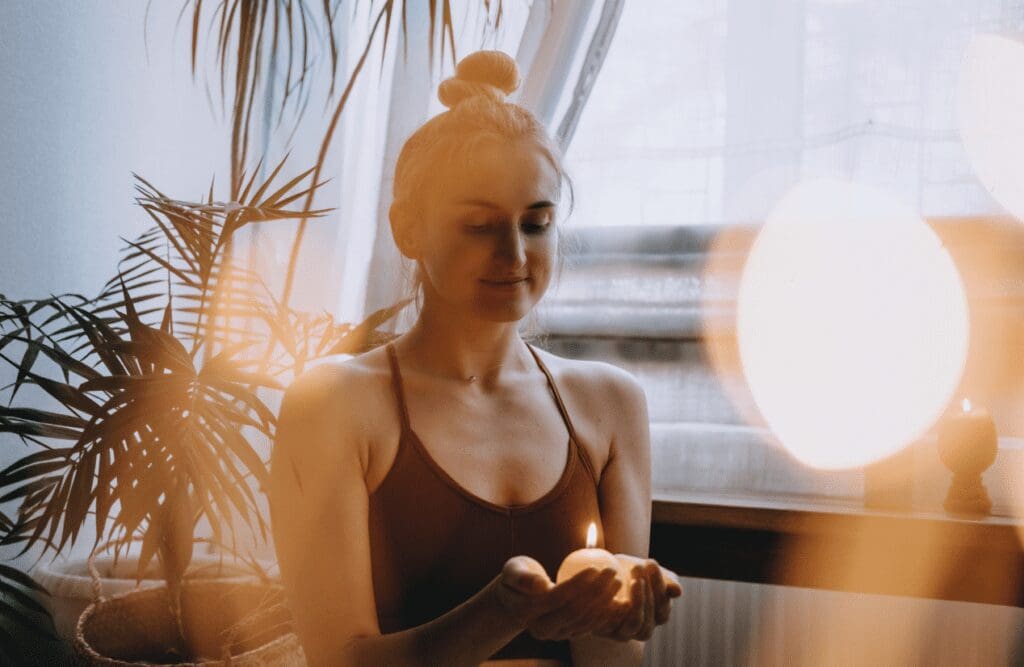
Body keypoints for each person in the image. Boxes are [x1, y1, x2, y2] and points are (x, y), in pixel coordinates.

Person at [269, 50, 682, 667]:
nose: (514, 255)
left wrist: (617, 615)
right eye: (480, 226)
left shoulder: (611, 404)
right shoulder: (335, 405)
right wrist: (502, 611)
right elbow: (339, 659)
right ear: (408, 229)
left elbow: (612, 663)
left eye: (536, 224)